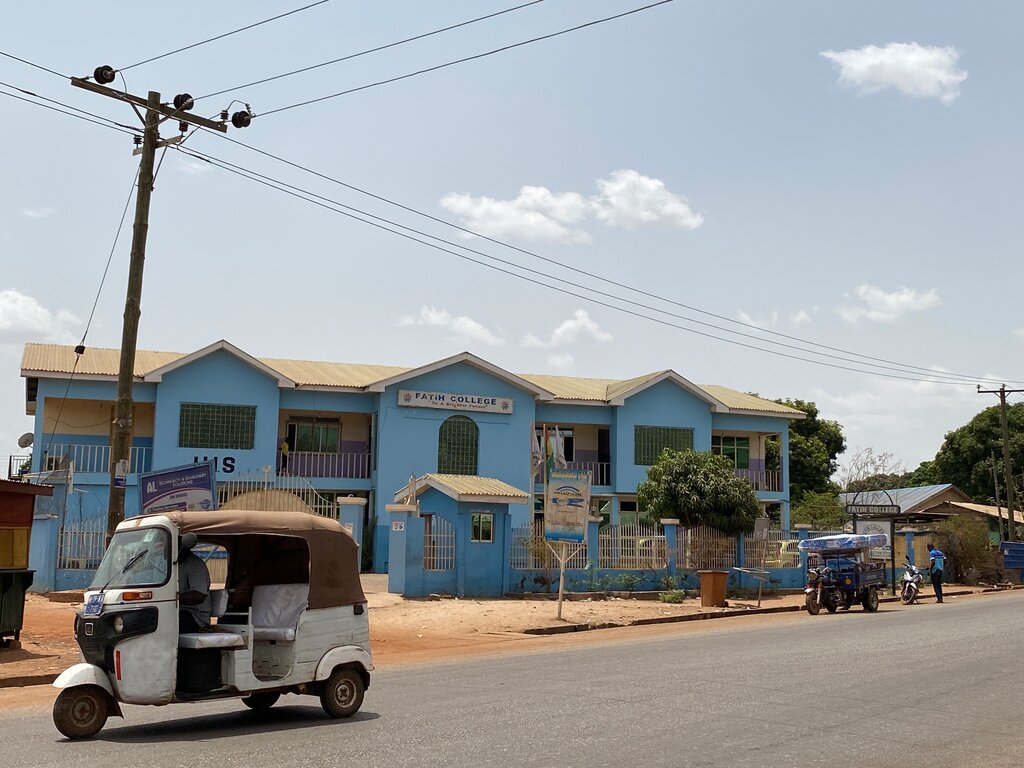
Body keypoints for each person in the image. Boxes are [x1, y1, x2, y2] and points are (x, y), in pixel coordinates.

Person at [177, 532, 212, 632]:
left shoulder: (195, 565)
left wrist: (173, 598)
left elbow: (199, 595)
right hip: (177, 611)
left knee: (166, 624)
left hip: (195, 616)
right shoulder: (171, 565)